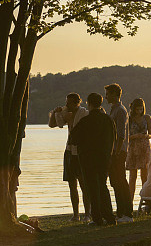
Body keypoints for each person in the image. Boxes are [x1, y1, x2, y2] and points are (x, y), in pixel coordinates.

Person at [68, 93, 116, 226]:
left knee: (92, 188)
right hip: (104, 158)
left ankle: (97, 218)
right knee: (102, 186)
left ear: (89, 103)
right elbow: (113, 138)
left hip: (88, 158)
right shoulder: (108, 120)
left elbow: (73, 139)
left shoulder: (85, 121)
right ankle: (109, 216)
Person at [48, 93, 90, 222]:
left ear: (77, 102)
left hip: (81, 152)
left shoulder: (84, 113)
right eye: (66, 102)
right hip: (69, 151)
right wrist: (56, 113)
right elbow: (52, 125)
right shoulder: (67, 114)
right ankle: (76, 214)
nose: (66, 105)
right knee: (72, 184)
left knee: (84, 184)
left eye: (69, 103)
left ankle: (88, 214)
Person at [105, 83, 134, 222]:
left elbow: (121, 134)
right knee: (115, 182)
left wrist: (116, 152)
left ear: (115, 94)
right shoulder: (113, 109)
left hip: (119, 151)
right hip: (114, 151)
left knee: (121, 181)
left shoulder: (120, 111)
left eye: (108, 94)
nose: (106, 97)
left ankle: (128, 213)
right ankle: (120, 212)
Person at [126, 97, 151, 205]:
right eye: (137, 109)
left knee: (145, 176)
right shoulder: (129, 119)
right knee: (132, 177)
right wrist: (135, 136)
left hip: (145, 147)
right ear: (133, 109)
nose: (139, 111)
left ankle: (146, 203)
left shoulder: (147, 118)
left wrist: (146, 135)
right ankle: (129, 203)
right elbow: (126, 136)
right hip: (133, 148)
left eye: (141, 109)